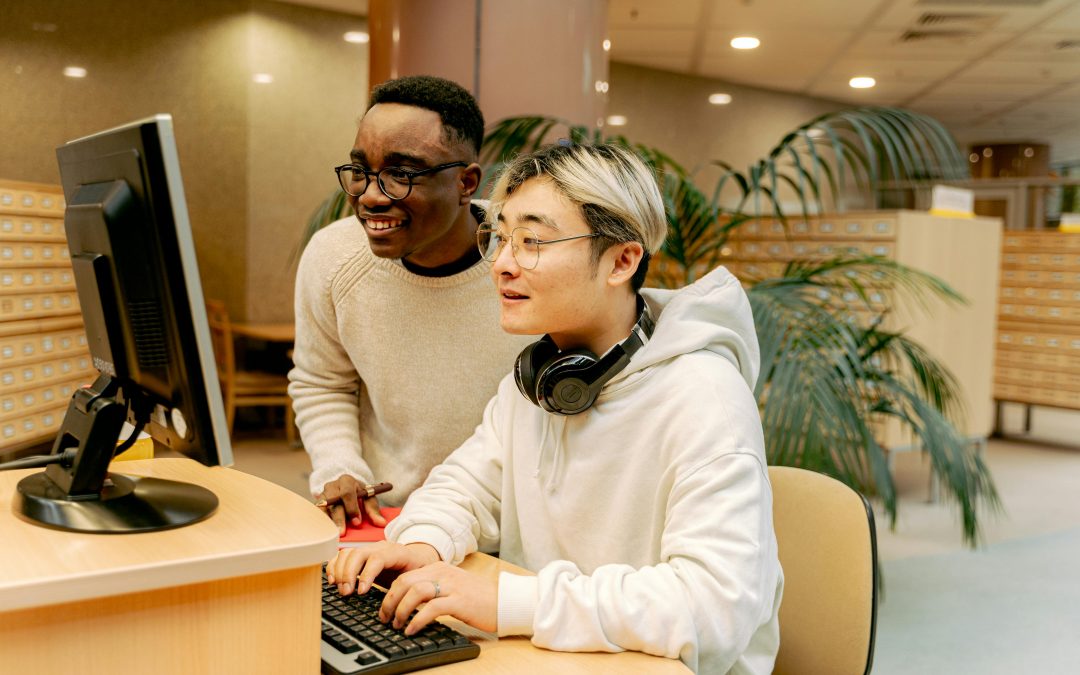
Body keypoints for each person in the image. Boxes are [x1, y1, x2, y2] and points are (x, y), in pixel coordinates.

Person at [325, 142, 783, 673]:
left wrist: (509, 604)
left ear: (622, 260)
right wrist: (426, 542)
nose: (500, 264)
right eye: (499, 237)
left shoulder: (705, 399)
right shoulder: (540, 380)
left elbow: (712, 608)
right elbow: (464, 486)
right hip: (555, 655)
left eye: (532, 242)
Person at [289, 75, 530, 533]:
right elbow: (323, 382)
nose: (372, 196)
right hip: (388, 516)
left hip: (507, 526)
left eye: (402, 174)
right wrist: (339, 466)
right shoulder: (333, 257)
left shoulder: (528, 259)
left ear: (466, 182)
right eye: (361, 171)